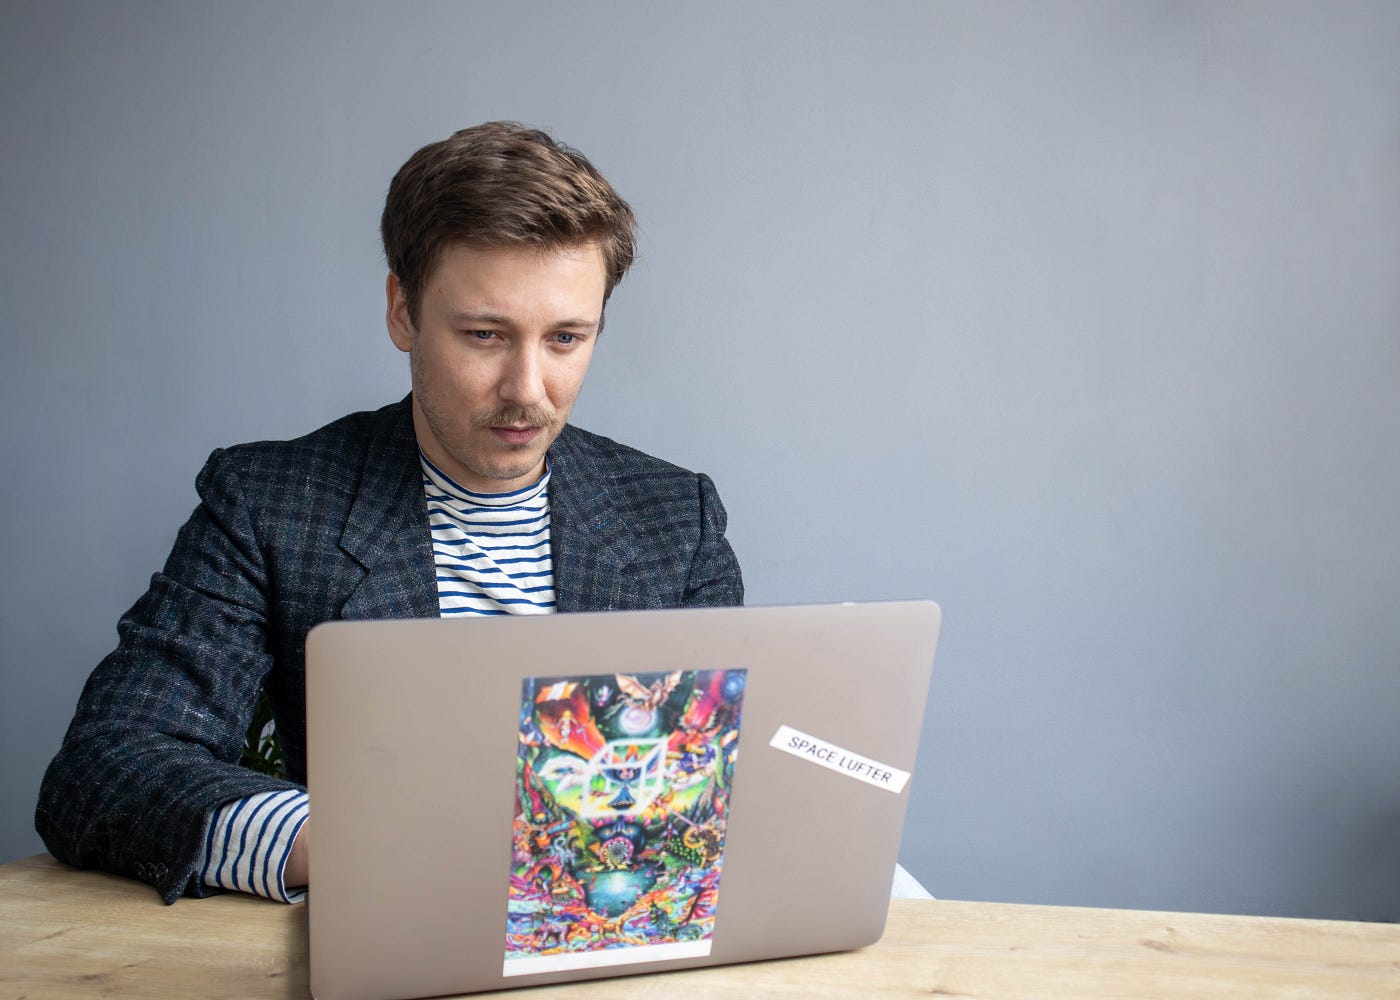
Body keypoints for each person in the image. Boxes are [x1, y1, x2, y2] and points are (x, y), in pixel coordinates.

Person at [35, 122, 743, 905]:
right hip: (387, 916)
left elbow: (723, 783)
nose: (527, 389)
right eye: (485, 335)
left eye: (566, 338)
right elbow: (105, 765)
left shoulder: (675, 520)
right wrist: (369, 848)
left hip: (619, 921)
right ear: (403, 312)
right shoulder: (270, 504)